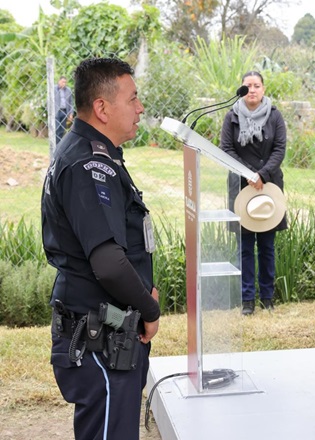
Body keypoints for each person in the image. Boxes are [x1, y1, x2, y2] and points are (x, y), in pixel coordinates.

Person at [41, 58, 160, 440]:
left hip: (107, 334)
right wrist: (149, 307)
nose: (140, 108)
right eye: (133, 98)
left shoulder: (89, 153)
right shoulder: (88, 164)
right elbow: (108, 263)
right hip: (101, 341)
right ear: (102, 108)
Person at [221, 71, 287, 315]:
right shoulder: (231, 117)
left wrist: (262, 175)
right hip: (242, 189)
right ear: (241, 89)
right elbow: (227, 149)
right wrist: (249, 174)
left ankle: (267, 298)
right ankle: (247, 299)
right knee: (245, 248)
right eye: (247, 86)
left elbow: (280, 148)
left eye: (256, 85)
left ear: (263, 88)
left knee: (267, 247)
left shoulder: (275, 115)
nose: (252, 90)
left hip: (268, 188)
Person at [54, 76, 74, 144]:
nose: (64, 84)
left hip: (65, 111)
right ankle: (55, 144)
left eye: (65, 82)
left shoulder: (68, 90)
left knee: (62, 130)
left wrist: (71, 113)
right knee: (56, 129)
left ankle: (59, 144)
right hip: (56, 112)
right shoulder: (54, 89)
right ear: (59, 81)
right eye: (63, 82)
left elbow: (71, 102)